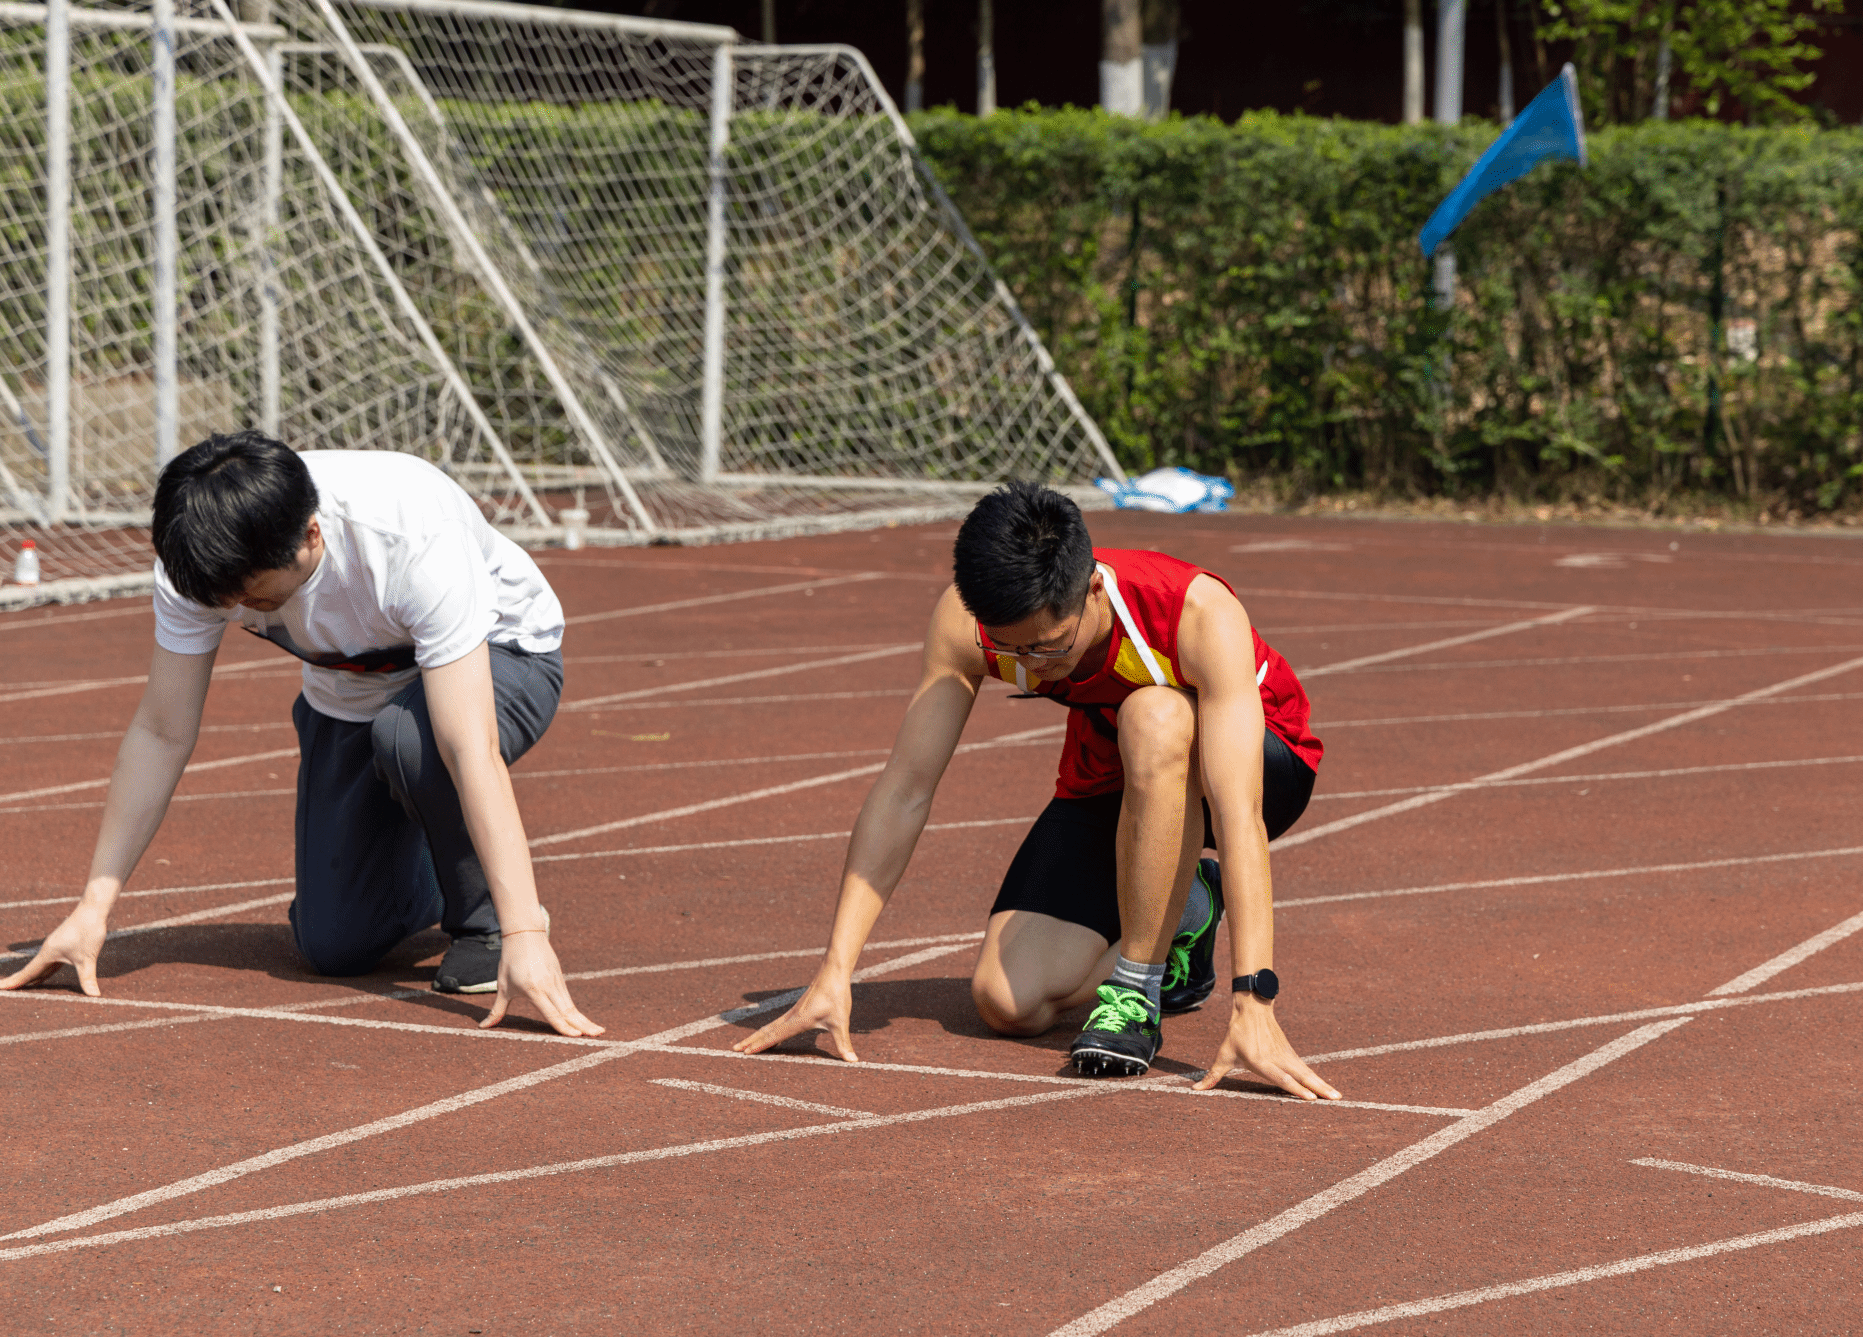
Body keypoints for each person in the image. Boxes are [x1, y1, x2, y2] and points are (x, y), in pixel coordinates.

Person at [737, 482, 1339, 1097]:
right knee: (1007, 1003)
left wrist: (1254, 1000)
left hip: (1259, 765)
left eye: (1049, 647)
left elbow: (1241, 815)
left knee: (1155, 715)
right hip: (1116, 773)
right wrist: (837, 971)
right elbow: (905, 788)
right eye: (1010, 648)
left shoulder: (1195, 613)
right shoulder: (967, 622)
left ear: (1094, 591)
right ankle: (1186, 918)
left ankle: (1135, 990)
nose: (1031, 663)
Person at [1, 433, 602, 1037]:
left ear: (312, 535)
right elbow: (162, 730)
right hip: (354, 689)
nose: (239, 608)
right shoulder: (200, 557)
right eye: (224, 598)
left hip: (505, 654)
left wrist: (523, 932)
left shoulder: (407, 528)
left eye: (252, 592)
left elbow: (468, 747)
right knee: (333, 946)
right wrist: (92, 907)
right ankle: (427, 873)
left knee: (413, 742)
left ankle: (484, 923)